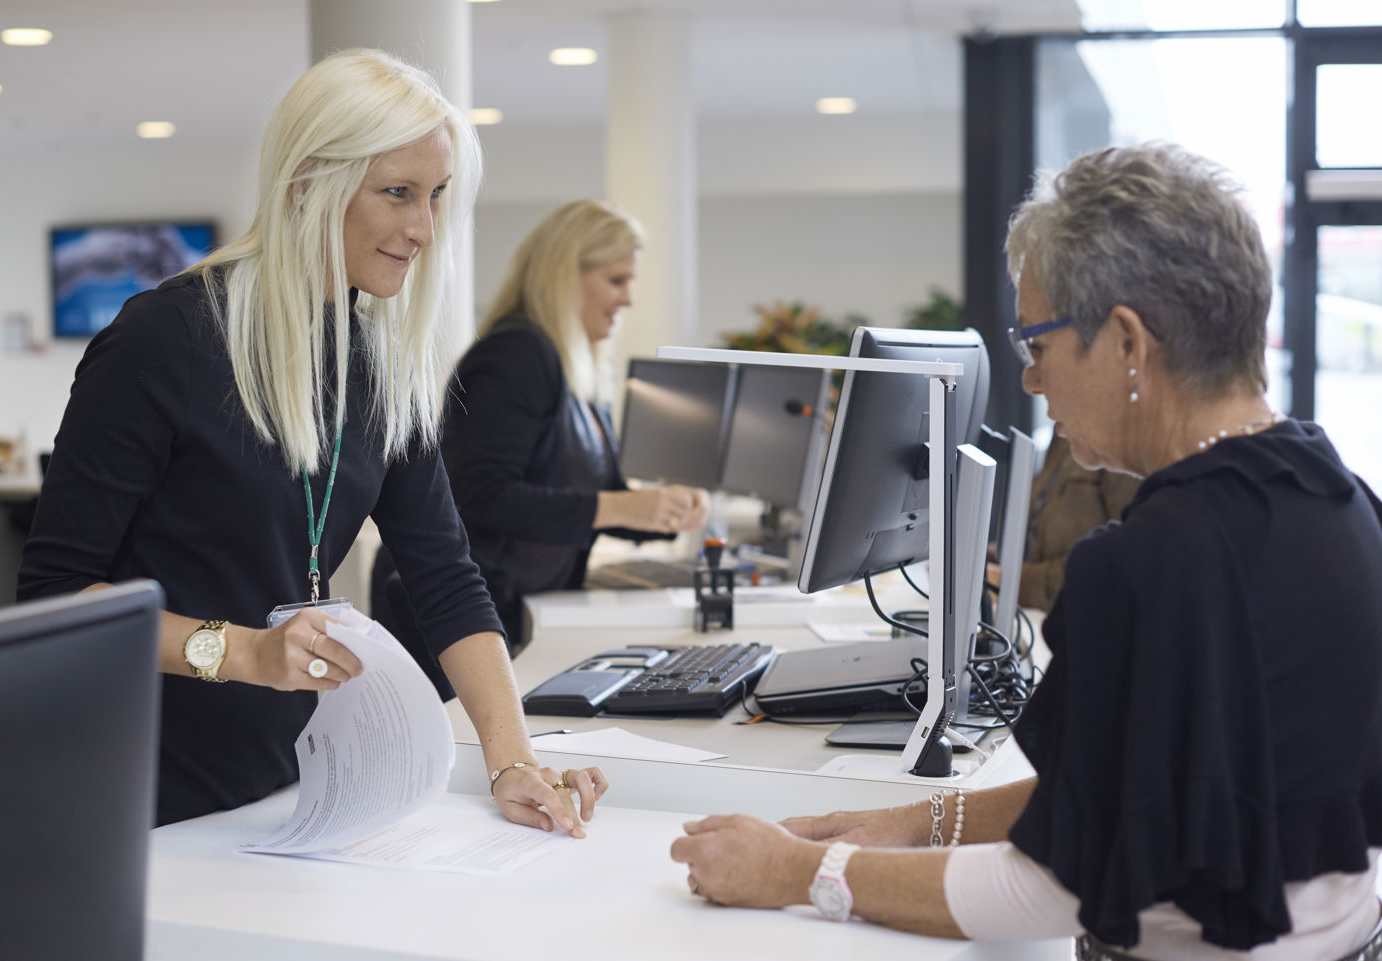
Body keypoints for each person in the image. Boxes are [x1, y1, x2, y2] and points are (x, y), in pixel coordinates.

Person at [670, 142, 1382, 960]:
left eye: (1037, 345)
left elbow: (1046, 888)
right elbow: (1140, 789)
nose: (1032, 383)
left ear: (1126, 342)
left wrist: (801, 870)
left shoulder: (1151, 563)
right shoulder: (1341, 500)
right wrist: (918, 820)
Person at [18, 49, 605, 836]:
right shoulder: (163, 339)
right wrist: (246, 653)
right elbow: (56, 595)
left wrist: (512, 760)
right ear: (306, 182)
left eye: (435, 195)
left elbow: (446, 577)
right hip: (139, 791)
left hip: (282, 788)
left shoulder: (375, 362)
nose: (424, 229)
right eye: (397, 193)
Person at [375, 199, 710, 650]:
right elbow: (481, 496)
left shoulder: (574, 368)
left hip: (513, 606)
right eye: (616, 281)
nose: (627, 299)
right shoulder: (515, 356)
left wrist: (665, 513)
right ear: (564, 277)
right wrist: (622, 508)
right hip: (459, 614)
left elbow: (597, 496)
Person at [988, 433, 1141, 611]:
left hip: (1073, 617)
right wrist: (988, 555)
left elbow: (1121, 564)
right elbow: (1035, 534)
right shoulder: (1063, 436)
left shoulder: (1125, 446)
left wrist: (1008, 582)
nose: (1054, 421)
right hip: (1037, 614)